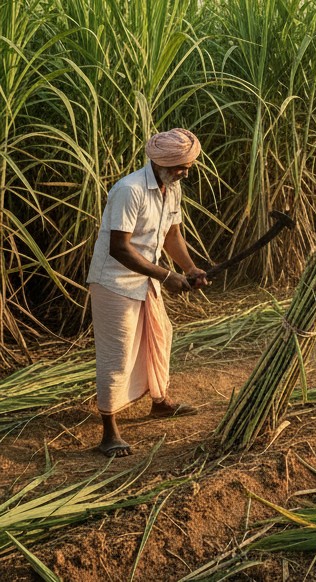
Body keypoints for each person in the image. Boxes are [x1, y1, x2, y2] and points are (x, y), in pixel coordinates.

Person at [86, 128, 208, 457]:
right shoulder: (129, 190)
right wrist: (168, 275)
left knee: (161, 334)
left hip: (145, 278)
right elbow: (119, 248)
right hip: (114, 282)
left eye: (188, 164)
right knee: (118, 353)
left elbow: (172, 236)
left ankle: (160, 401)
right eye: (181, 165)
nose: (186, 170)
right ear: (161, 161)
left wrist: (190, 268)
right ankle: (109, 432)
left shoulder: (172, 188)